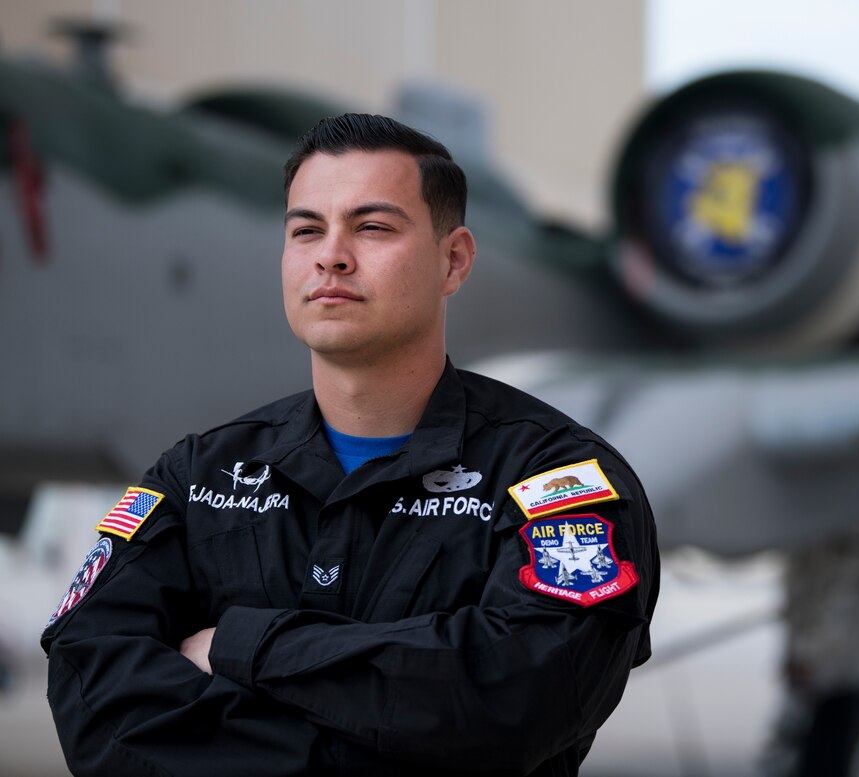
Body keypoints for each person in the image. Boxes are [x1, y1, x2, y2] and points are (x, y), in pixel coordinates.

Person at [42, 113, 659, 776]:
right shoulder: (199, 475)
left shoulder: (556, 476)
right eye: (306, 228)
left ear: (453, 261)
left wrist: (243, 646)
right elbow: (92, 682)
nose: (330, 255)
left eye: (372, 227)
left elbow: (524, 692)